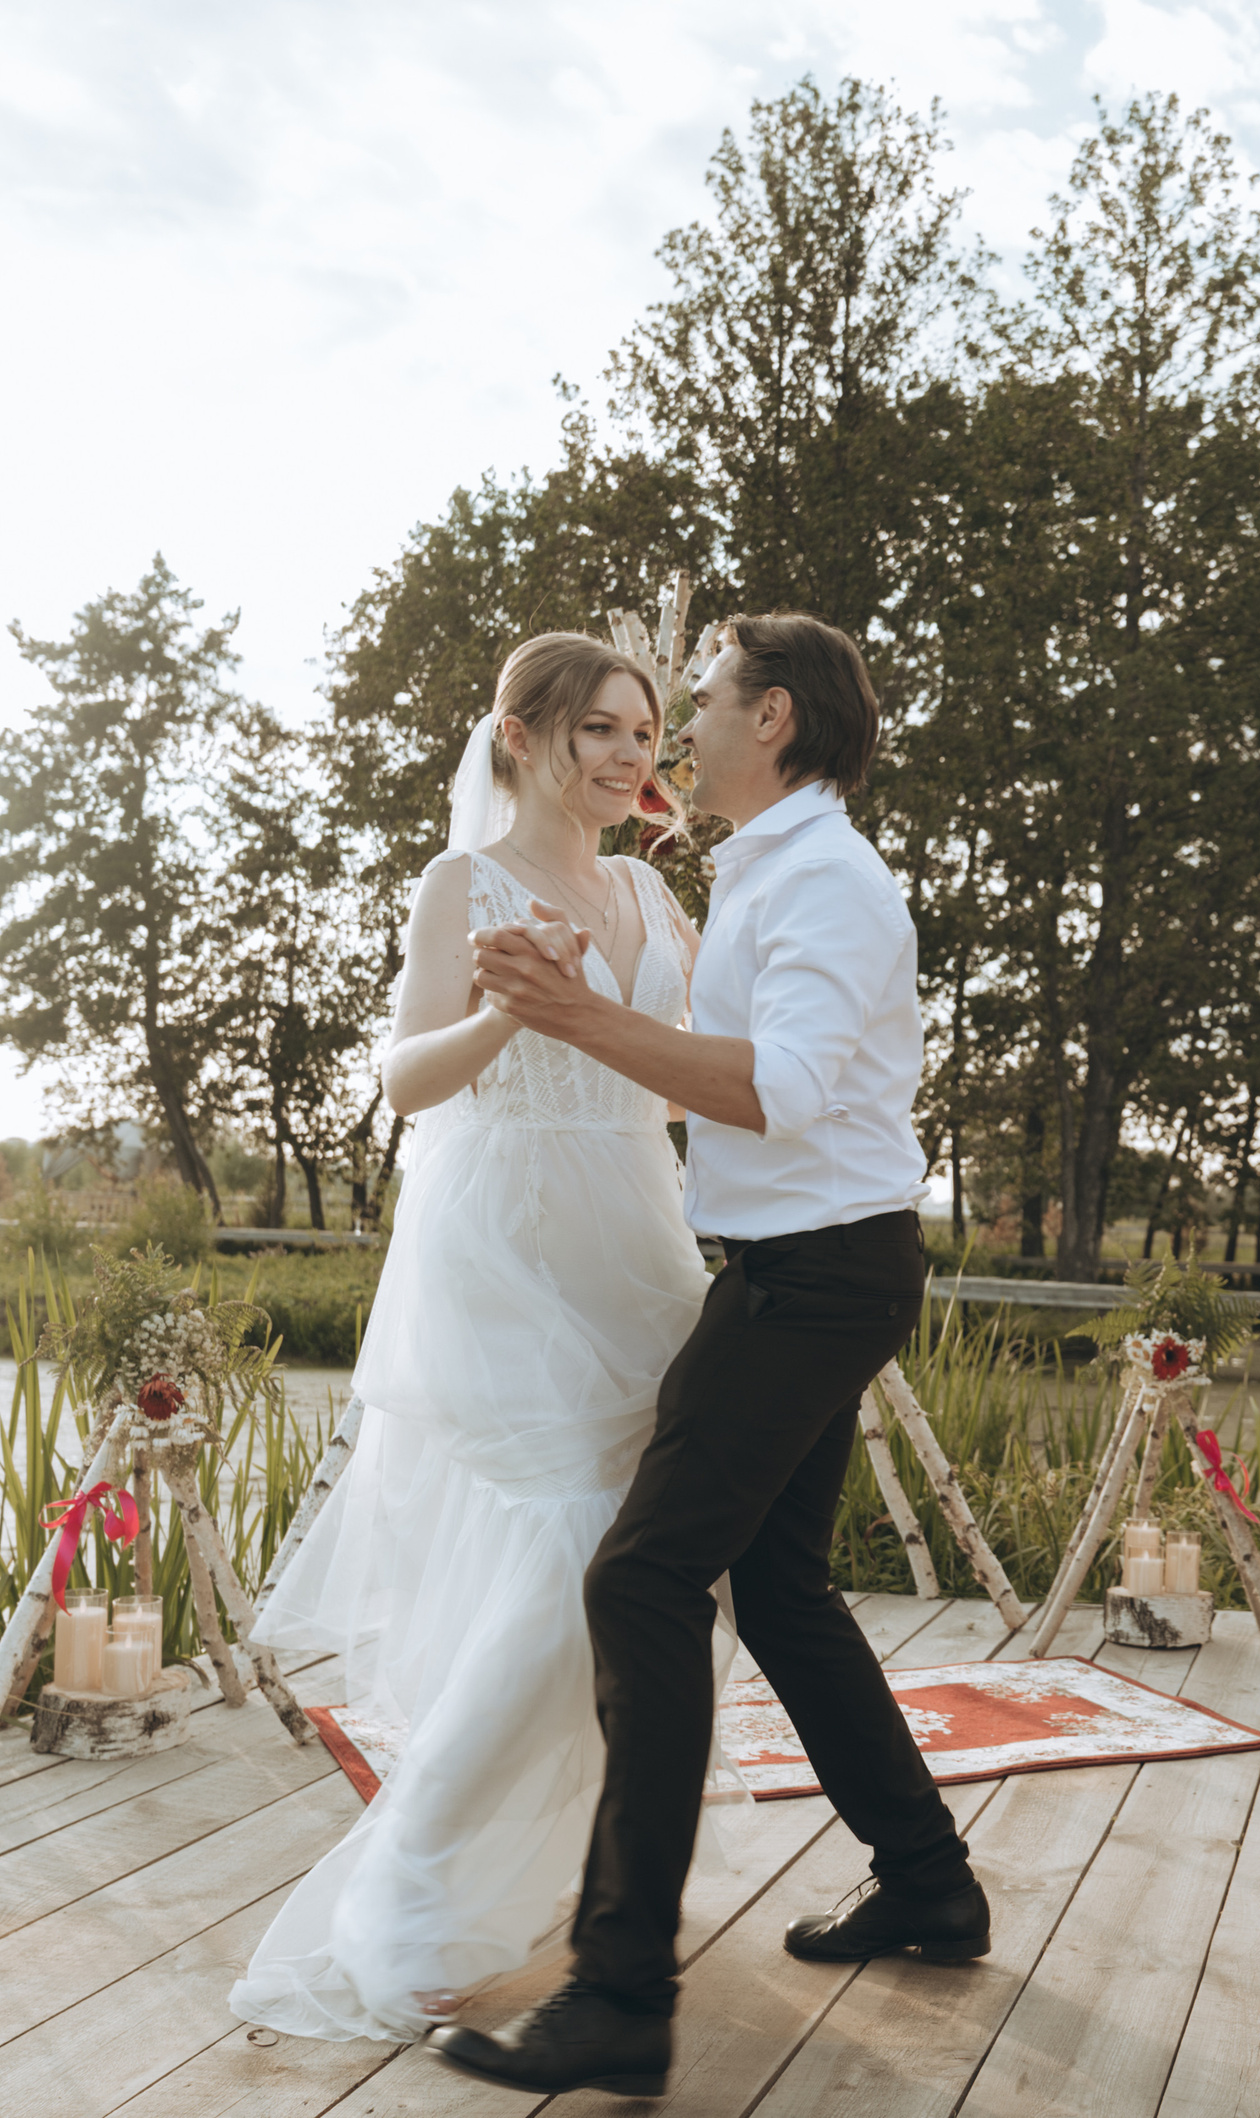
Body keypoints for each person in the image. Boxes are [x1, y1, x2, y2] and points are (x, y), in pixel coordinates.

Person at [427, 612, 983, 2099]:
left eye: (708, 700)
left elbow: (779, 1090)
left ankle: (620, 1992)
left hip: (815, 1279)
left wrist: (572, 1013)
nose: (680, 734)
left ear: (774, 717)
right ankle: (929, 1882)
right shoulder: (764, 868)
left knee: (641, 1577)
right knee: (781, 1587)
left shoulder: (826, 882)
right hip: (805, 1267)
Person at [232, 635, 715, 2040]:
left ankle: (557, 1864)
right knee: (575, 1546)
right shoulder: (465, 882)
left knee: (661, 1562)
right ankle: (408, 1892)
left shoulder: (651, 892)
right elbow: (403, 1079)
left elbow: (671, 1082)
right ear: (521, 734)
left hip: (639, 1242)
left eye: (645, 734)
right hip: (506, 1244)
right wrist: (509, 1011)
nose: (631, 756)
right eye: (602, 730)